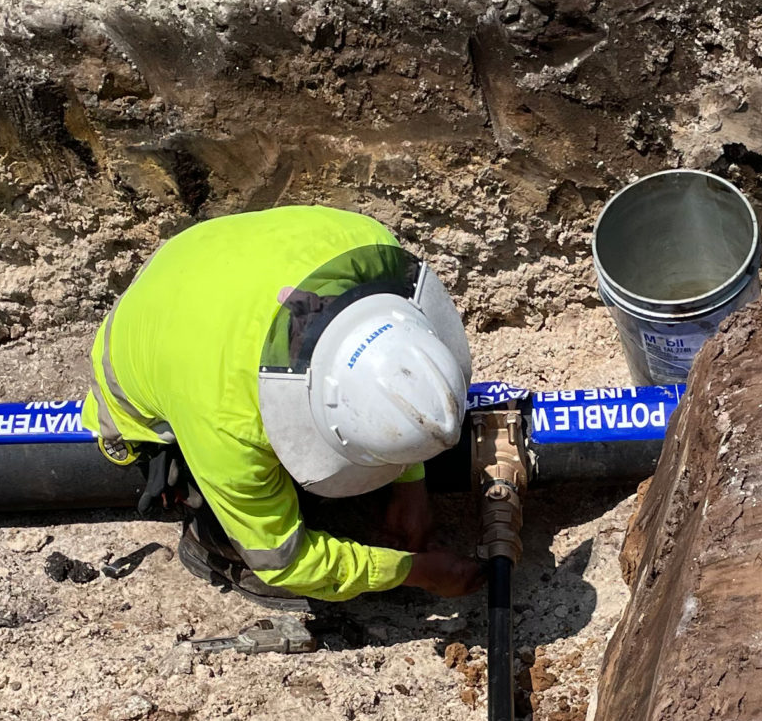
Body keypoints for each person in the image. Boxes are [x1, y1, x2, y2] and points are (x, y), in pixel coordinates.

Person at [82, 206, 484, 613]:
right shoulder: (229, 423)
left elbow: (393, 378)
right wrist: (416, 572)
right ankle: (213, 544)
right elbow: (286, 560)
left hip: (201, 262)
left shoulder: (374, 249)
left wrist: (410, 483)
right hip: (145, 363)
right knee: (255, 528)